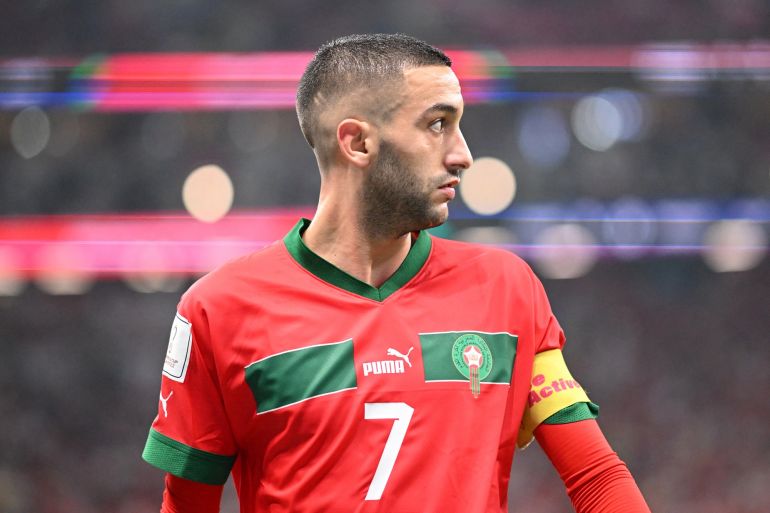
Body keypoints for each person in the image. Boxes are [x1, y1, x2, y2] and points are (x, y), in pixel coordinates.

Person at [142, 33, 651, 513]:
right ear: (357, 143)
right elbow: (186, 506)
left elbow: (596, 477)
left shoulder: (507, 288)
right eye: (437, 124)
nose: (464, 155)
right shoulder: (218, 310)